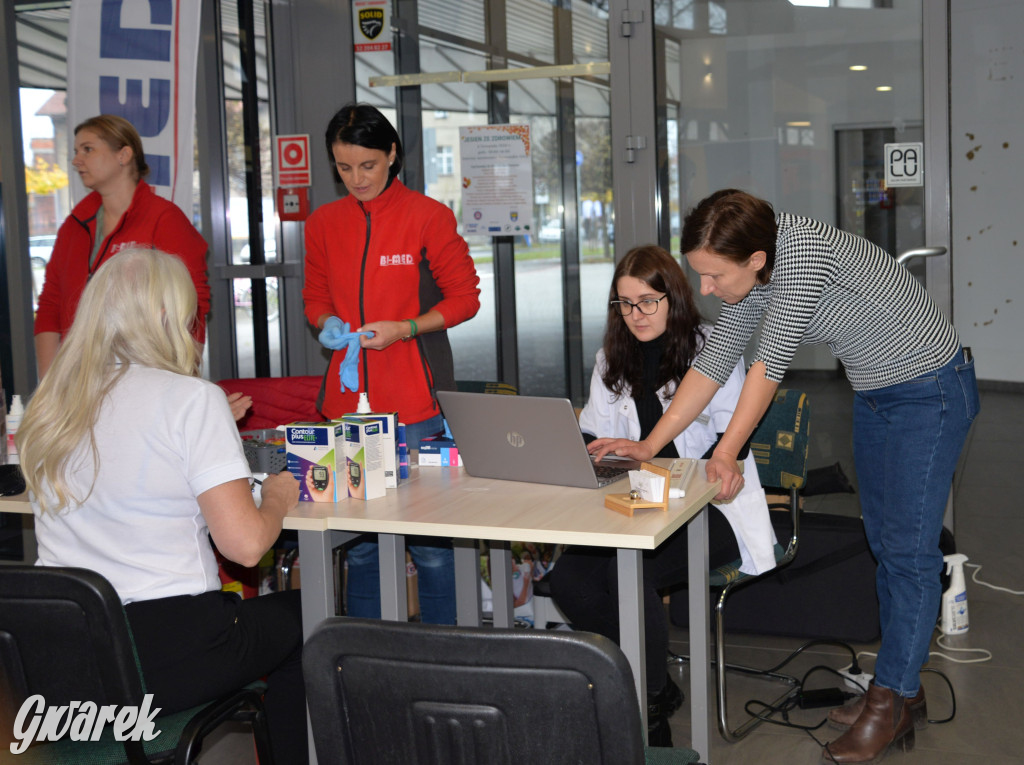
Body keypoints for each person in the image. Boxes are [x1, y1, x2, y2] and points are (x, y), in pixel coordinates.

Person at [590, 191, 980, 764]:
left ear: (752, 259)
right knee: (885, 544)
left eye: (712, 276)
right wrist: (648, 444)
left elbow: (767, 365)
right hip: (875, 392)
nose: (704, 290)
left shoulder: (801, 256)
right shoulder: (757, 265)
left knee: (907, 552)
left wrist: (726, 453)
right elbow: (716, 356)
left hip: (930, 392)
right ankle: (905, 687)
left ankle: (890, 702)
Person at [18, 248, 307, 765]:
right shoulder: (190, 399)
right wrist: (280, 497)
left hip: (68, 662)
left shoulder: (50, 404)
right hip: (165, 656)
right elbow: (244, 547)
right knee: (311, 617)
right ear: (168, 319)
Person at [549, 244, 777, 747]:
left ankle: (648, 708)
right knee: (567, 581)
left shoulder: (712, 346)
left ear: (673, 297)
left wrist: (712, 466)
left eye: (647, 301)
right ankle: (648, 681)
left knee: (625, 574)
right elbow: (593, 431)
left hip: (709, 505)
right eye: (625, 304)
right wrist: (589, 451)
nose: (636, 315)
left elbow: (729, 433)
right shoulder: (612, 358)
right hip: (635, 504)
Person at [302, 103, 481, 624]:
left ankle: (446, 657)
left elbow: (465, 299)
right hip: (345, 407)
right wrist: (326, 323)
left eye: (368, 166)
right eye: (343, 167)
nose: (355, 179)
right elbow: (314, 294)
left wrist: (407, 327)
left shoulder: (427, 216)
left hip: (414, 405)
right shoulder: (323, 223)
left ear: (392, 155)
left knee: (429, 546)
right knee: (358, 545)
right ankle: (363, 659)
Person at [34, 114, 210, 380]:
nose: (76, 160)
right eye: (76, 151)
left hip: (147, 377)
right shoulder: (74, 226)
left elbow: (192, 304)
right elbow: (50, 306)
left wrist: (182, 379)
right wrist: (49, 384)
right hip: (79, 383)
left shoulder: (164, 219)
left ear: (124, 155)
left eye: (88, 149)